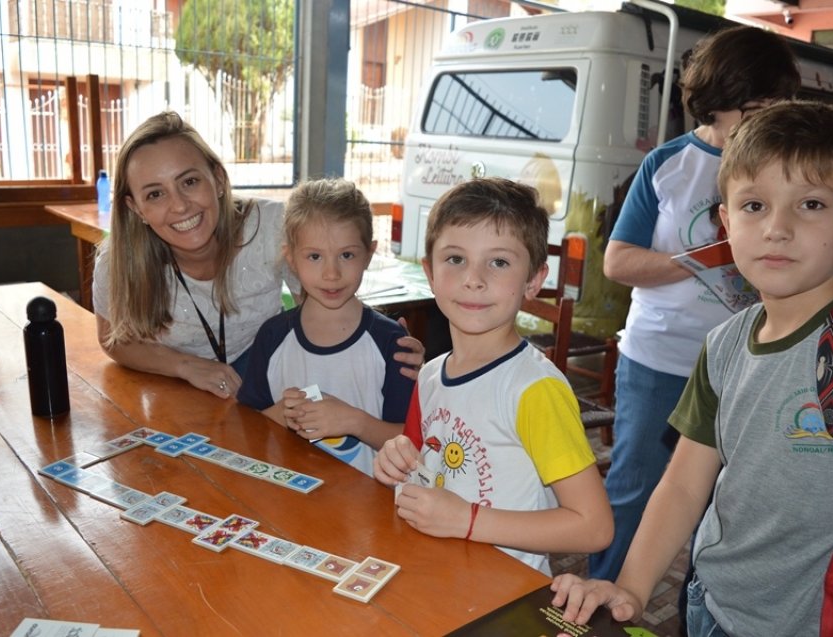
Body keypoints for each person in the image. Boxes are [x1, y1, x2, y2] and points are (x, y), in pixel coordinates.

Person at [550, 101, 833, 635]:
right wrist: (633, 587)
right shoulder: (724, 344)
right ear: (726, 223)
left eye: (810, 204)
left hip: (826, 622)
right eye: (754, 205)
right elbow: (684, 485)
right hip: (710, 610)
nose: (777, 228)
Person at [590, 26, 801, 582]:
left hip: (747, 368)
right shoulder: (669, 163)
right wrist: (709, 257)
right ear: (716, 99)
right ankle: (599, 601)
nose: (763, 123)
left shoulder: (783, 167)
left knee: (725, 510)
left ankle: (699, 612)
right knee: (634, 490)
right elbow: (617, 262)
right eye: (752, 110)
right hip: (659, 360)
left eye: (776, 107)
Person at [373, 177, 613, 575]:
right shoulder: (430, 376)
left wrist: (466, 521)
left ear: (533, 280)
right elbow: (415, 460)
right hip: (438, 578)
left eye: (498, 262)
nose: (474, 278)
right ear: (429, 272)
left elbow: (594, 527)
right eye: (455, 259)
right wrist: (393, 459)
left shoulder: (535, 390)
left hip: (505, 592)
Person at [93, 112, 423, 398]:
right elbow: (113, 340)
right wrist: (185, 366)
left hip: (269, 372)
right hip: (173, 383)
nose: (179, 205)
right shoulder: (117, 261)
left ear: (218, 179)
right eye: (155, 194)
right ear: (135, 208)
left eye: (190, 181)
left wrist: (378, 340)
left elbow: (326, 303)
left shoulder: (272, 226)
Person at [237, 178, 414, 476]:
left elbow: (412, 442)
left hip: (368, 500)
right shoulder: (272, 336)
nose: (331, 273)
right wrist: (281, 414)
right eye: (315, 256)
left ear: (369, 255)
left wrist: (355, 422)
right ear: (291, 259)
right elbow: (245, 427)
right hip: (288, 495)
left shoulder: (391, 342)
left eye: (347, 255)